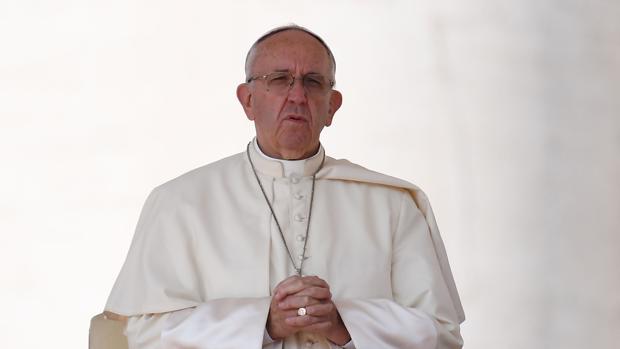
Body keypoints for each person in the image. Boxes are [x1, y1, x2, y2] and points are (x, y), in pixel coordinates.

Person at [104, 25, 465, 349]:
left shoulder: (392, 205)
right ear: (247, 100)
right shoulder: (180, 203)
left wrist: (345, 324)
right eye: (279, 79)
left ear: (332, 107)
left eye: (313, 82)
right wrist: (263, 324)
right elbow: (143, 335)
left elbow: (442, 335)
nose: (297, 96)